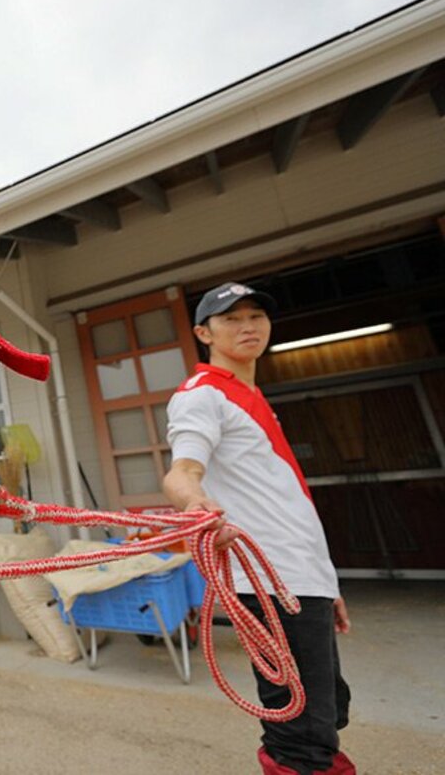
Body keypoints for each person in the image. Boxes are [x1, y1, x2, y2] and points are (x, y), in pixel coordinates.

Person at [162, 282, 354, 775]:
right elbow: (182, 471)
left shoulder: (251, 396)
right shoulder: (202, 396)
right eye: (231, 319)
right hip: (270, 582)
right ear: (204, 332)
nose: (248, 327)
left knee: (328, 710)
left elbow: (286, 503)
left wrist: (326, 585)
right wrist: (196, 502)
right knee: (302, 733)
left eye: (256, 316)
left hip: (301, 577)